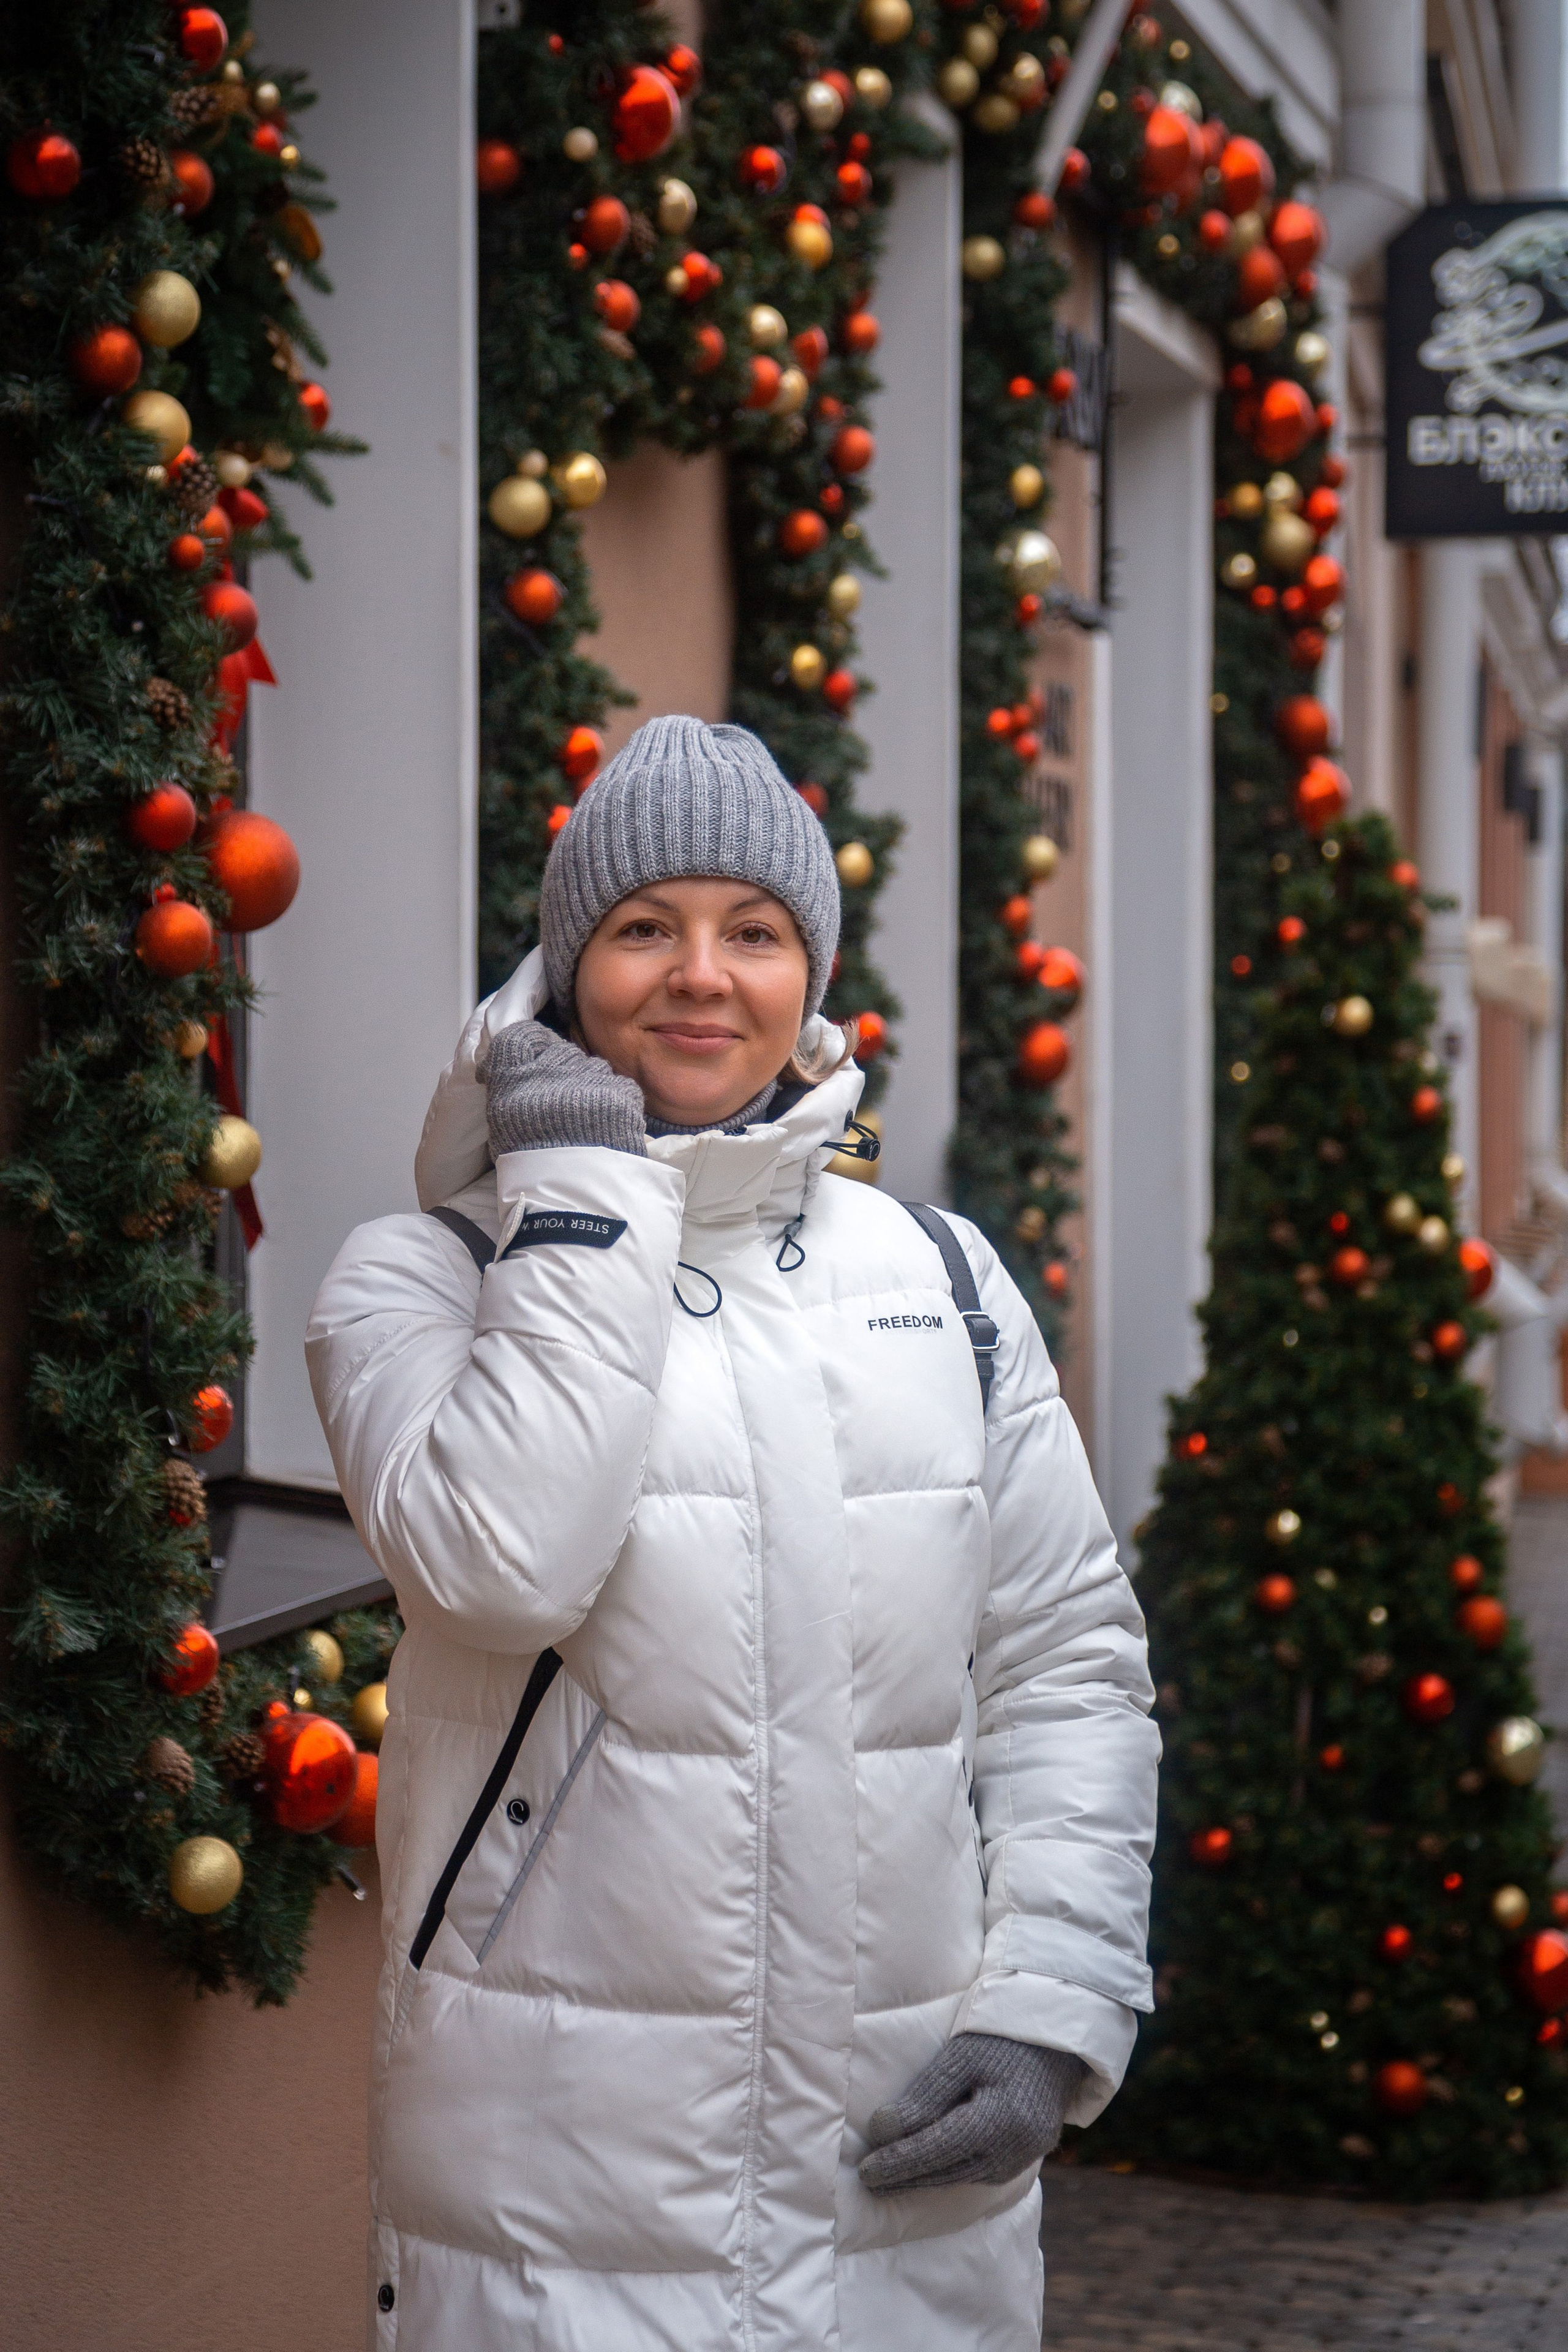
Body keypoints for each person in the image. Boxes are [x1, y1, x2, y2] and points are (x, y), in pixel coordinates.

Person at [307, 714, 1159, 2351]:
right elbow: (502, 1567)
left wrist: (1049, 2010)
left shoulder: (946, 1283)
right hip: (557, 2211)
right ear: (566, 968)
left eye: (754, 933)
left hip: (898, 2187)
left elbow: (1067, 1672)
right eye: (644, 928)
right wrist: (579, 1192)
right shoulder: (419, 1277)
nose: (703, 975)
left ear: (809, 978)